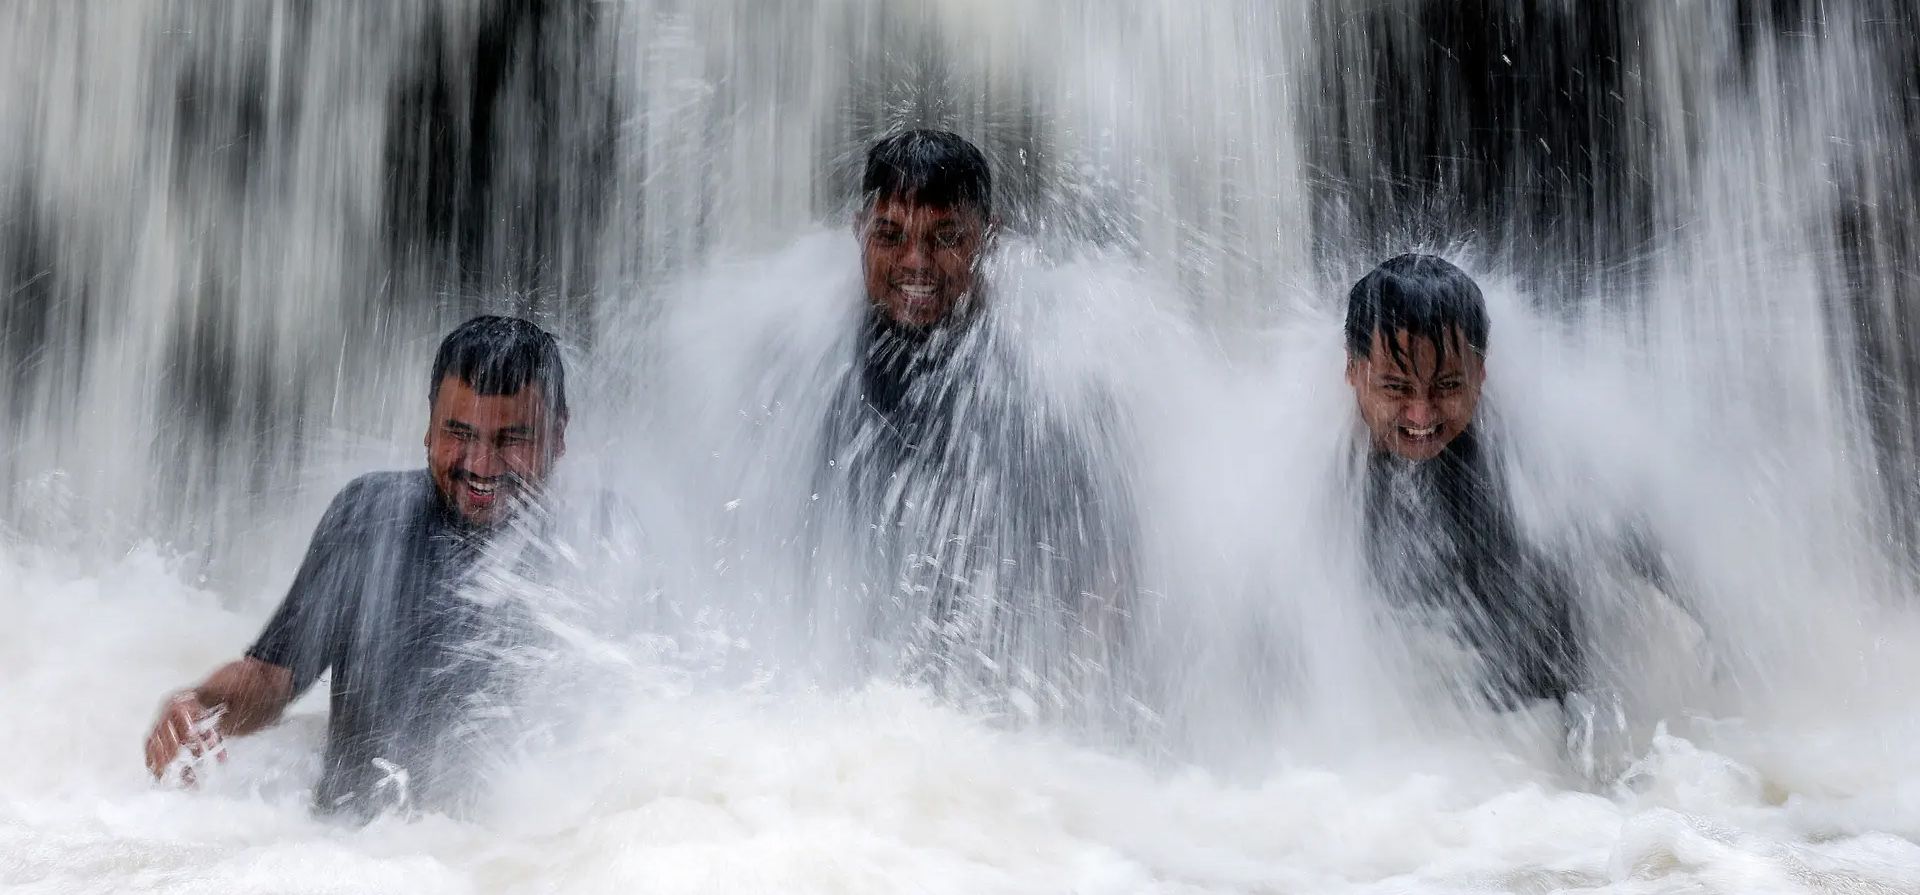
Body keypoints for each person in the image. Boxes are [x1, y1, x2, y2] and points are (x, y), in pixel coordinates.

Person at [142, 315, 568, 817]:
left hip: (520, 853)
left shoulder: (595, 548)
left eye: (511, 439)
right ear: (429, 427)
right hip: (348, 846)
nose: (481, 464)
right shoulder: (371, 517)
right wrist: (201, 705)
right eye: (459, 432)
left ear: (558, 435)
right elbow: (272, 678)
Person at [822, 130, 1135, 714]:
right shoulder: (815, 369)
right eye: (890, 235)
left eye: (945, 238)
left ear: (988, 240)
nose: (915, 263)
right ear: (859, 232)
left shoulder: (1046, 382)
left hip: (1002, 692)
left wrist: (1057, 711)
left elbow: (1111, 569)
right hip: (848, 703)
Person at [1343, 254, 1586, 707]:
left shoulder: (1526, 476)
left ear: (1481, 371)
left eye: (1448, 386)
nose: (1421, 415)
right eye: (1396, 388)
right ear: (1353, 370)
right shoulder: (1308, 476)